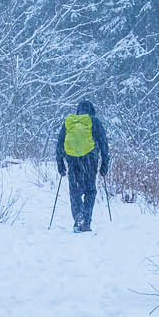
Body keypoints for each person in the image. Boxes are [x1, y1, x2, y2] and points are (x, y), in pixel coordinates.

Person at [56, 99, 111, 233]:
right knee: (90, 191)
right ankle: (86, 220)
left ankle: (78, 216)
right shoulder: (94, 122)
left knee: (75, 191)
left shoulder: (70, 122)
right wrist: (104, 164)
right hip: (90, 161)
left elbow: (60, 143)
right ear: (92, 111)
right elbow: (104, 144)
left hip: (73, 160)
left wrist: (60, 164)